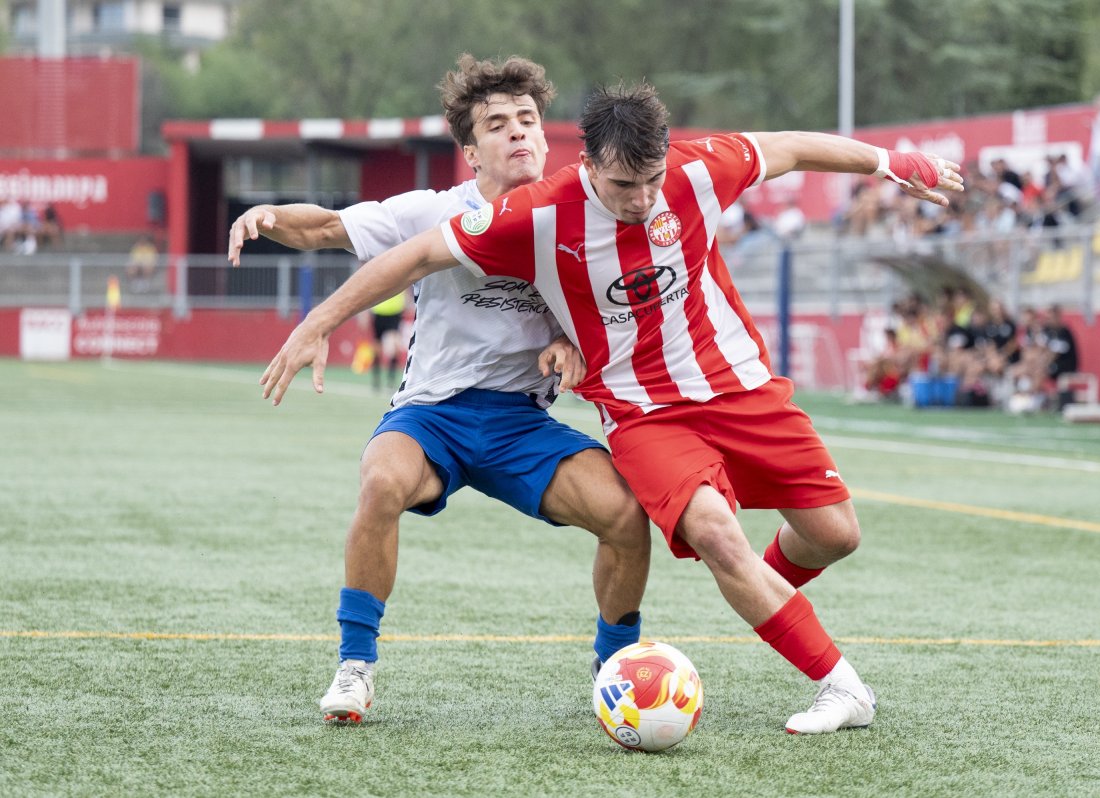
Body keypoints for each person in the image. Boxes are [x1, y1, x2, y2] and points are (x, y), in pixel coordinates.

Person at [260, 80, 963, 735]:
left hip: (727, 391)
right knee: (717, 536)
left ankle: (731, 610)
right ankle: (840, 686)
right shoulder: (524, 216)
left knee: (832, 534)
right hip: (618, 414)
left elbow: (791, 146)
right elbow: (405, 256)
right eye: (626, 185)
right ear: (590, 165)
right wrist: (316, 319)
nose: (645, 198)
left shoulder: (694, 170)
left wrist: (889, 162)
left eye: (652, 179)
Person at [229, 55, 651, 725]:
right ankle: (354, 666)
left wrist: (575, 346)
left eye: (528, 120)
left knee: (628, 518)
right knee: (380, 483)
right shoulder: (434, 212)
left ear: (546, 137)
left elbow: (618, 318)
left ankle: (615, 671)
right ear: (470, 152)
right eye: (496, 125)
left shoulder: (585, 217)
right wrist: (268, 215)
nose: (517, 134)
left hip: (522, 426)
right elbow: (329, 228)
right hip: (434, 417)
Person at [367, 290, 411, 391]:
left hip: (395, 313)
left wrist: (408, 302)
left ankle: (390, 381)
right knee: (377, 348)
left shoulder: (401, 274)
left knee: (394, 348)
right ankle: (376, 381)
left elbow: (405, 289)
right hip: (378, 312)